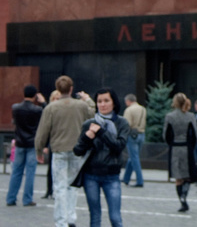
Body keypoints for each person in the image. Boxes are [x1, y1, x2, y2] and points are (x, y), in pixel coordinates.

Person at [35, 75, 94, 227]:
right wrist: (87, 99)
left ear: (58, 89)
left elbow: (42, 132)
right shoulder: (80, 106)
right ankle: (71, 217)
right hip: (76, 150)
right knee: (72, 185)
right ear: (71, 88)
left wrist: (39, 150)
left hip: (59, 150)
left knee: (59, 187)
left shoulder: (51, 108)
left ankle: (61, 222)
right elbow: (93, 114)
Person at [73, 88, 130, 227]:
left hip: (112, 176)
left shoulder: (122, 123)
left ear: (114, 103)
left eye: (106, 101)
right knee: (95, 217)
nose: (102, 104)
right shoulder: (89, 124)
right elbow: (78, 150)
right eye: (99, 101)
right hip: (91, 175)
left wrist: (101, 132)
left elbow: (118, 146)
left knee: (115, 218)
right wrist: (88, 137)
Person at [6, 85, 46, 207]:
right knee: (30, 172)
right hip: (32, 143)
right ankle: (27, 199)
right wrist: (43, 102)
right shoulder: (37, 110)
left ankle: (10, 198)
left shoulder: (15, 108)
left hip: (19, 143)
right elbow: (48, 113)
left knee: (16, 172)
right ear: (35, 96)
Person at [163, 93, 197, 212]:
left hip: (175, 148)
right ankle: (184, 195)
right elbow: (195, 134)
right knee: (187, 175)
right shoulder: (190, 116)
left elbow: (166, 135)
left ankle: (182, 201)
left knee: (178, 177)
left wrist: (172, 144)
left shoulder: (169, 116)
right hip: (187, 148)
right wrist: (191, 146)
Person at [121, 93, 147, 187]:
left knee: (134, 158)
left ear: (128, 101)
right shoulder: (143, 109)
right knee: (132, 157)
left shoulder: (129, 110)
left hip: (132, 136)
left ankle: (140, 180)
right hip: (141, 134)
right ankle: (126, 178)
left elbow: (126, 124)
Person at [41, 89, 62, 200]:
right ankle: (49, 190)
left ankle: (57, 190)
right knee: (51, 169)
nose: (57, 101)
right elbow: (45, 130)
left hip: (62, 143)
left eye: (58, 98)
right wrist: (44, 145)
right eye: (55, 99)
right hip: (52, 143)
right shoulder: (49, 111)